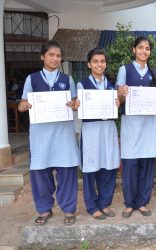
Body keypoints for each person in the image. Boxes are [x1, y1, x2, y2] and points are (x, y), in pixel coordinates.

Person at [17, 40, 80, 226]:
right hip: (40, 135)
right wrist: (22, 106)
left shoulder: (67, 79)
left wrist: (75, 104)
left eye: (58, 55)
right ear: (42, 56)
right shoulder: (32, 79)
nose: (55, 58)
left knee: (67, 170)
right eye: (51, 55)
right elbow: (22, 104)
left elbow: (75, 102)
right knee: (40, 171)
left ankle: (68, 209)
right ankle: (44, 210)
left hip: (63, 133)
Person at [117, 36, 156, 218]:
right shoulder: (125, 70)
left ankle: (143, 202)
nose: (144, 51)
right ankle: (130, 203)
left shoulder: (154, 73)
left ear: (150, 52)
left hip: (147, 125)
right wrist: (122, 93)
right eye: (140, 48)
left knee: (146, 164)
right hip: (130, 123)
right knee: (130, 164)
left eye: (147, 48)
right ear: (133, 50)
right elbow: (119, 100)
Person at [76, 48, 120, 220]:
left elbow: (117, 106)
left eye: (102, 61)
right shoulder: (82, 85)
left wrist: (117, 102)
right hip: (91, 129)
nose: (99, 64)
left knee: (108, 165)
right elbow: (78, 108)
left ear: (105, 64)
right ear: (89, 64)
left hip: (108, 127)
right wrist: (78, 103)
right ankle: (92, 205)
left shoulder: (111, 85)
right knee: (90, 167)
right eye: (95, 61)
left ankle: (104, 203)